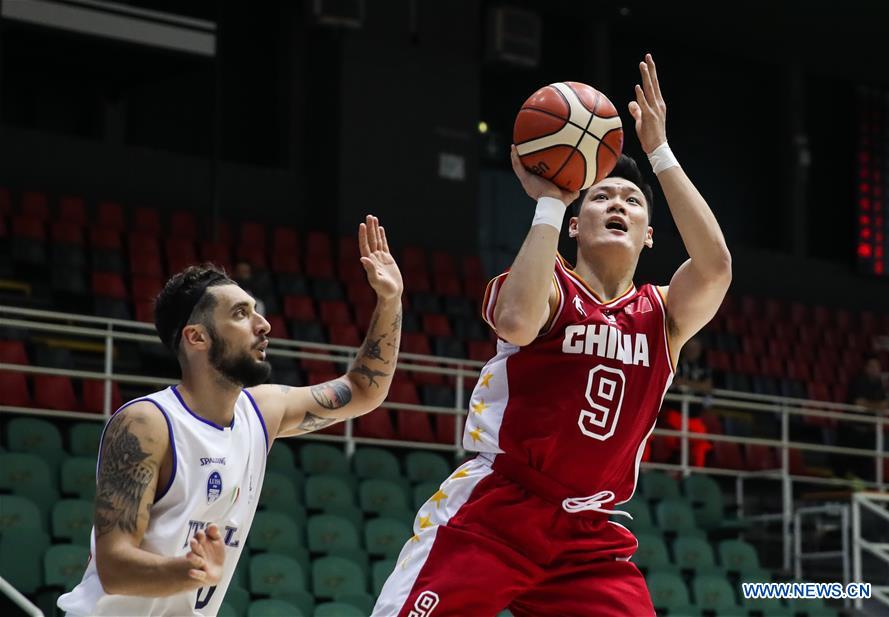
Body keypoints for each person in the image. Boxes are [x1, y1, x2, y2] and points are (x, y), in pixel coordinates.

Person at [373, 54, 731, 616]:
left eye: (632, 201)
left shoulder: (663, 313)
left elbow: (715, 267)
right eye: (601, 197)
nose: (618, 204)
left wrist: (660, 152)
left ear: (649, 235)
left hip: (588, 532)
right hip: (499, 510)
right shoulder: (550, 285)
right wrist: (549, 200)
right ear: (574, 225)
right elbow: (517, 322)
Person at [58, 216, 403, 616]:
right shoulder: (147, 423)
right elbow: (114, 568)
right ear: (197, 337)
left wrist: (390, 300)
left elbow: (364, 389)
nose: (264, 324)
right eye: (241, 314)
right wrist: (189, 571)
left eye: (256, 311)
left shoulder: (262, 411)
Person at [664, 336, 714, 467]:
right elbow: (676, 382)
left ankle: (696, 474)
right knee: (670, 440)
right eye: (690, 348)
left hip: (694, 417)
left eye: (696, 348)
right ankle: (667, 469)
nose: (693, 351)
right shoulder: (676, 361)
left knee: (702, 444)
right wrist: (697, 385)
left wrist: (686, 383)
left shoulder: (703, 367)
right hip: (674, 413)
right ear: (685, 347)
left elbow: (708, 387)